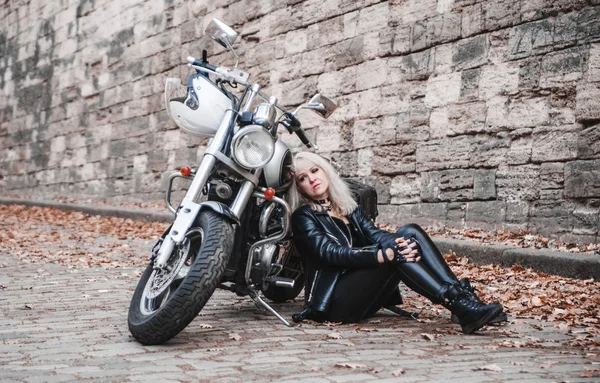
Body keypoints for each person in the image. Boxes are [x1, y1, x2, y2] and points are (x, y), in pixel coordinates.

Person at [288, 152, 506, 334]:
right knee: (394, 257)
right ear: (299, 188)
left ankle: (463, 300)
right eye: (302, 178)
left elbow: (374, 233)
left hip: (364, 294)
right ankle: (460, 305)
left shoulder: (346, 205)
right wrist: (380, 255)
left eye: (314, 170)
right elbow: (331, 253)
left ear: (325, 170)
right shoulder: (304, 217)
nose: (311, 179)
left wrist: (399, 243)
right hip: (334, 301)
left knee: (410, 232)